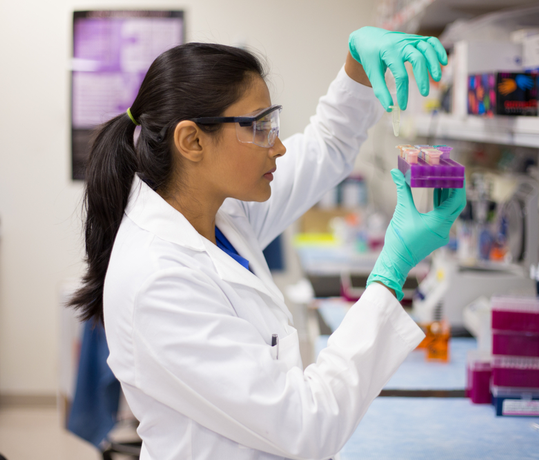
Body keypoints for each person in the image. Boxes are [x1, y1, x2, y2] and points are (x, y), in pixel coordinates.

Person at [69, 27, 465, 460]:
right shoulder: (157, 280)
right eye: (259, 127)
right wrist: (390, 271)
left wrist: (357, 65)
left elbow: (327, 145)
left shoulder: (217, 212)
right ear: (192, 141)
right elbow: (307, 426)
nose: (277, 146)